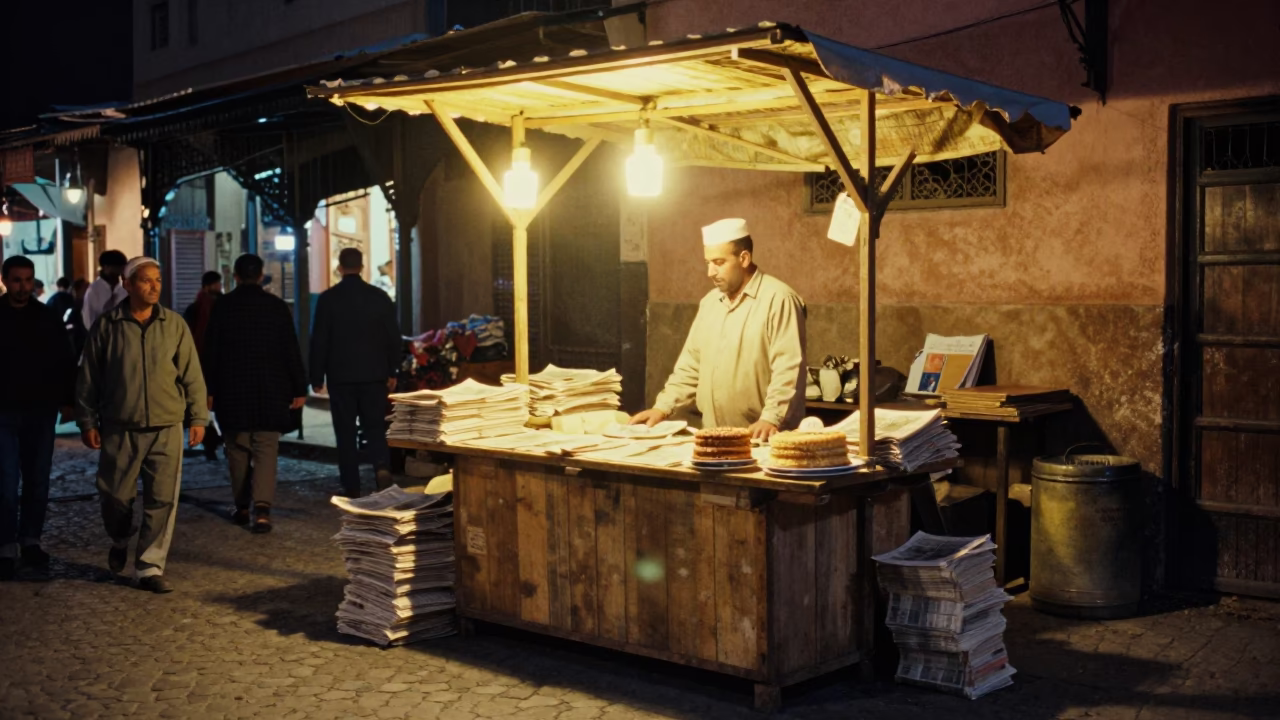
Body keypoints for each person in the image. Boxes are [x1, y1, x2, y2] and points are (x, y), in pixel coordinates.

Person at [76, 256, 208, 593]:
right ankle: (120, 537)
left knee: (162, 499)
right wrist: (87, 419)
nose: (154, 287)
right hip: (120, 425)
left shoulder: (175, 325)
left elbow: (192, 374)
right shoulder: (106, 326)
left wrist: (197, 418)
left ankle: (150, 566)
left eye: (158, 280)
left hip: (166, 424)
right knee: (115, 497)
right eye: (146, 280)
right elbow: (88, 378)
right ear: (128, 284)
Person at [631, 218, 807, 441]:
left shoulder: (779, 299)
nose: (710, 272)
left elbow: (788, 368)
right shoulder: (710, 303)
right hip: (715, 436)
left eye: (718, 262)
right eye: (707, 263)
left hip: (765, 438)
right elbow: (691, 365)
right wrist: (662, 408)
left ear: (744, 258)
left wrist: (771, 418)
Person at [204, 254, 307, 533]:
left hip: (232, 389)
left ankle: (242, 505)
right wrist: (299, 387)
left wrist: (209, 390)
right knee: (266, 447)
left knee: (236, 448)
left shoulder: (223, 306)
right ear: (261, 275)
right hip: (271, 388)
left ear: (235, 276)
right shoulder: (276, 307)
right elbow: (290, 349)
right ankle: (262, 508)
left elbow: (211, 352)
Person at [0, 257, 76, 580]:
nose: (23, 287)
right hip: (3, 409)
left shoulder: (47, 317)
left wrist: (68, 400)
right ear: (5, 280)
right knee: (4, 482)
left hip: (40, 409)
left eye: (28, 280)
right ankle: (5, 545)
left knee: (38, 478)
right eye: (17, 280)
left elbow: (64, 360)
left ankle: (30, 539)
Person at [310, 247, 401, 497]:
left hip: (341, 377)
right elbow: (393, 337)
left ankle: (351, 483)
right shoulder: (379, 297)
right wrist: (393, 369)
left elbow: (319, 340)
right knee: (375, 427)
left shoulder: (328, 299)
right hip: (374, 375)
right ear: (362, 267)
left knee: (345, 431)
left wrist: (316, 377)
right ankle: (381, 465)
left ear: (340, 268)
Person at [183, 270, 223, 460]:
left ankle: (211, 443)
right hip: (212, 363)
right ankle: (214, 441)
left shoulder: (195, 309)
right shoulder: (221, 306)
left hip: (201, 363)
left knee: (205, 406)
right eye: (217, 284)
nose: (219, 287)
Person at [82, 250, 129, 330]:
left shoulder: (123, 290)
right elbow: (89, 318)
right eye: (115, 267)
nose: (119, 271)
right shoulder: (94, 290)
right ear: (105, 267)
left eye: (121, 268)